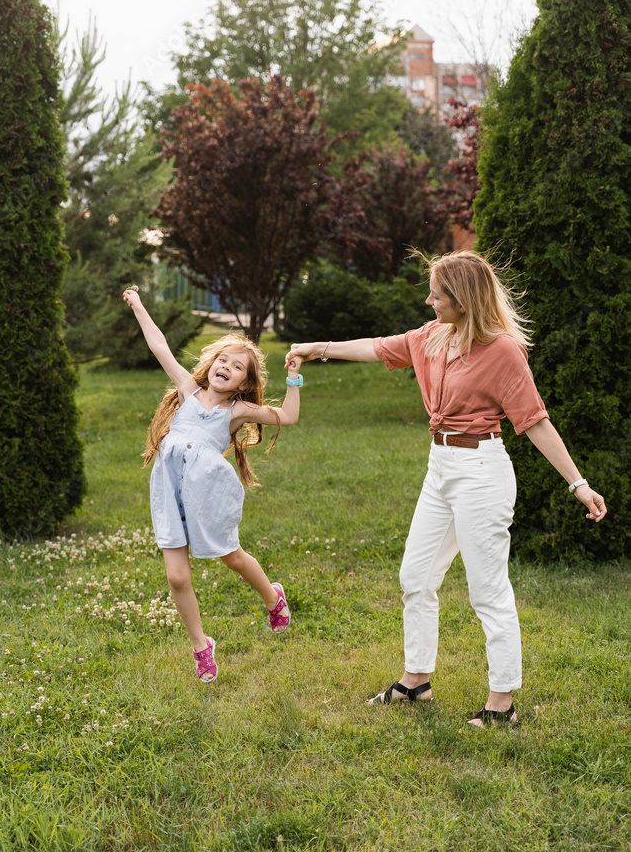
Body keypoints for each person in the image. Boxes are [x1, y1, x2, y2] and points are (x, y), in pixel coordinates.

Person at [286, 251, 606, 727]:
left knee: (488, 591)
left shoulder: (502, 351)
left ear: (463, 300)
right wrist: (318, 347)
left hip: (482, 472)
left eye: (437, 294)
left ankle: (502, 706)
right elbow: (377, 347)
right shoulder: (432, 335)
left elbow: (534, 421)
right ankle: (416, 681)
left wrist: (577, 483)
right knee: (415, 576)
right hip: (441, 466)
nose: (429, 300)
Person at [123, 287, 303, 684]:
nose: (226, 366)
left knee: (232, 557)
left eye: (237, 366)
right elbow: (159, 347)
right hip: (170, 489)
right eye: (222, 359)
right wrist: (138, 305)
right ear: (211, 363)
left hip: (206, 493)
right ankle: (201, 647)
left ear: (243, 382)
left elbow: (287, 416)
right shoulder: (190, 391)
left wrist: (294, 378)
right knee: (176, 577)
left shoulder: (237, 410)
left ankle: (273, 597)